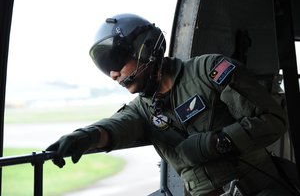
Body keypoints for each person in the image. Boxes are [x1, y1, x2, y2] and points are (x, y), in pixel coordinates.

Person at [46, 13, 297, 196]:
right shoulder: (143, 109)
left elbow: (273, 121)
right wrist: (84, 137)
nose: (113, 74)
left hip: (262, 187)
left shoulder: (208, 71)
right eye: (106, 68)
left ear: (145, 51)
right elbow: (116, 127)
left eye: (117, 60)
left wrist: (218, 142)